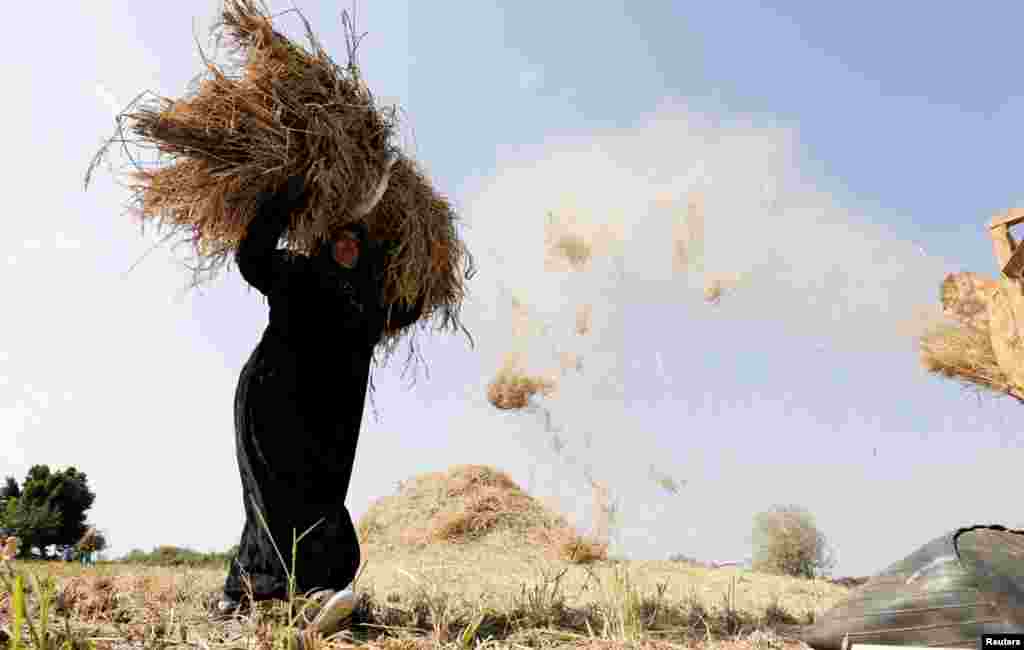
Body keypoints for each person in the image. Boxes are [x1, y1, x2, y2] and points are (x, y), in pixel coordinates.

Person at [213, 157, 424, 640]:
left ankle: (247, 594)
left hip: (329, 419)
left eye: (357, 240)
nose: (348, 245)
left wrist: (421, 247)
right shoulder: (297, 273)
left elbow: (412, 304)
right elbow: (252, 258)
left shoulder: (368, 306)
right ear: (325, 242)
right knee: (277, 495)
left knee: (321, 499)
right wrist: (286, 199)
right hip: (272, 399)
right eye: (340, 238)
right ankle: (313, 595)